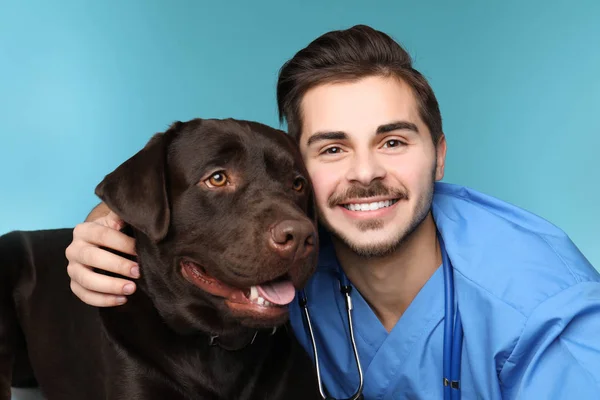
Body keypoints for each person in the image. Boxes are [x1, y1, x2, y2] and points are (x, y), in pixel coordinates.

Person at [65, 25, 600, 399]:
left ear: (438, 156)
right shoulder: (295, 249)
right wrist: (106, 222)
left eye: (392, 142)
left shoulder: (548, 319)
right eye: (332, 149)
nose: (364, 174)